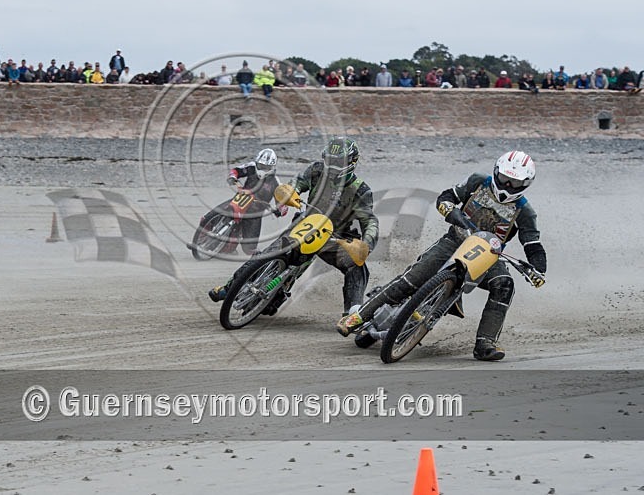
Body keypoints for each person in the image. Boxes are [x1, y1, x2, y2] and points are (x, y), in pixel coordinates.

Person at [338, 151, 546, 362]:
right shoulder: (478, 182)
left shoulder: (525, 212)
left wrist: (538, 269)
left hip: (489, 256)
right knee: (412, 278)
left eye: (515, 182)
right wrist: (449, 211)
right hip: (454, 241)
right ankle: (359, 316)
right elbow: (447, 196)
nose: (508, 186)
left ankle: (486, 342)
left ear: (526, 184)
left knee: (505, 284)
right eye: (504, 179)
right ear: (496, 172)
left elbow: (533, 245)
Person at [208, 137, 379, 317]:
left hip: (334, 237)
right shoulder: (316, 170)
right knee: (269, 251)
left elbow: (370, 221)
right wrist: (290, 192)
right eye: (330, 160)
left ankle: (353, 313)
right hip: (306, 222)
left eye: (338, 162)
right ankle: (229, 287)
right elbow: (297, 182)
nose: (333, 165)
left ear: (351, 162)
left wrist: (365, 245)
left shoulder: (361, 190)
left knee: (357, 267)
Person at [203, 149, 286, 258]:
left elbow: (283, 202)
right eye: (261, 166)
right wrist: (232, 177)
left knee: (250, 249)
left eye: (266, 167)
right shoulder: (251, 167)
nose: (263, 169)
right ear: (256, 163)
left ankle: (234, 249)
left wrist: (279, 209)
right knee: (207, 218)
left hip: (255, 213)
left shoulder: (276, 183)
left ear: (272, 167)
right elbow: (236, 171)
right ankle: (201, 237)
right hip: (240, 200)